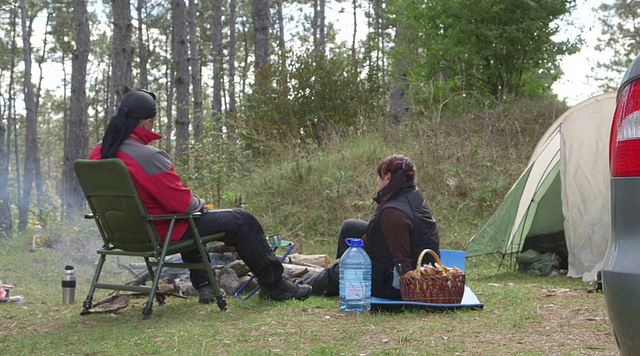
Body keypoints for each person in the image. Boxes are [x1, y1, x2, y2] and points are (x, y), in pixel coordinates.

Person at [88, 89, 312, 303]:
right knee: (242, 219)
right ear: (147, 122)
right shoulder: (147, 156)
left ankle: (204, 285)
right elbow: (183, 205)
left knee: (188, 219)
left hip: (121, 234)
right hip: (159, 231)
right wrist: (201, 204)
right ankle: (275, 286)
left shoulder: (97, 153)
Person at [297, 154, 440, 300]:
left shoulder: (394, 213)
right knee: (350, 228)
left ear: (388, 178)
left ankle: (297, 286)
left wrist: (411, 292)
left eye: (379, 177)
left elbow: (402, 262)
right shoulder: (411, 195)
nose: (377, 181)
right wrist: (351, 255)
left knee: (337, 271)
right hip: (405, 260)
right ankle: (342, 282)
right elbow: (376, 234)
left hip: (398, 282)